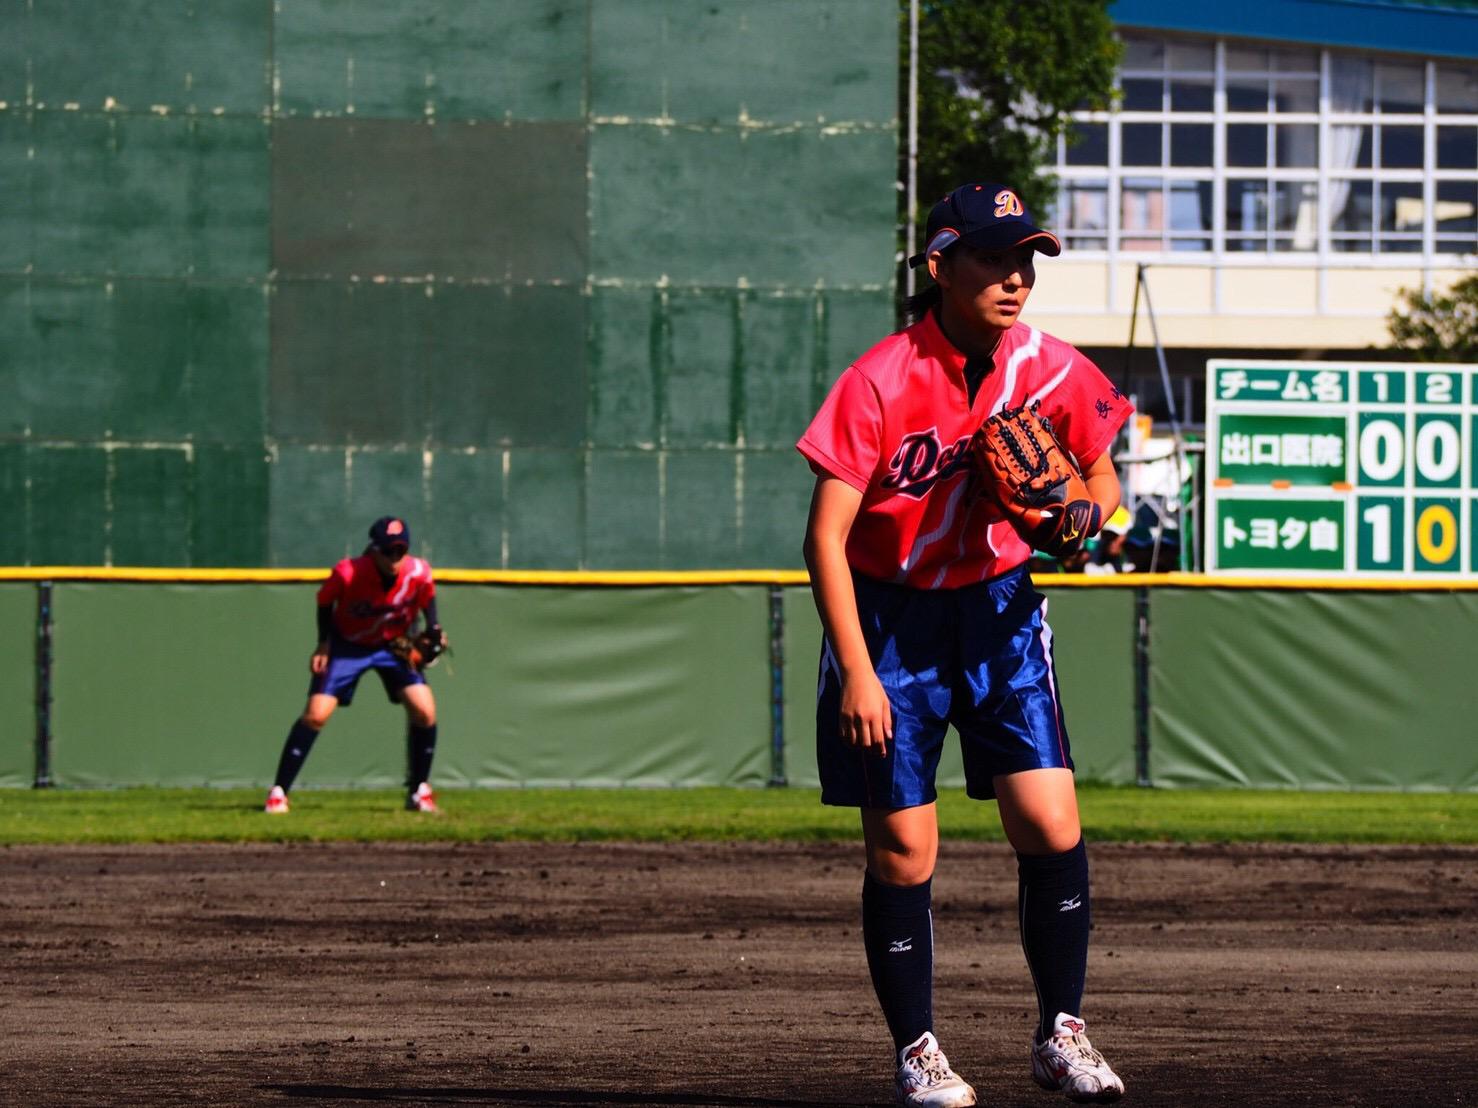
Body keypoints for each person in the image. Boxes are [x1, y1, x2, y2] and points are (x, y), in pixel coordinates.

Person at [797, 182, 1131, 1106]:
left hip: (999, 613)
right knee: (905, 852)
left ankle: (1061, 1032)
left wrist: (1079, 519)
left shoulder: (1054, 369)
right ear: (941, 265)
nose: (1016, 277)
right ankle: (918, 1050)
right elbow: (825, 538)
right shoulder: (879, 379)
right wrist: (857, 671)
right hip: (890, 623)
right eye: (993, 258)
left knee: (1052, 823)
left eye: (1026, 259)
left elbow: (1101, 479)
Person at [265, 516, 448, 815]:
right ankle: (278, 793)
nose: (394, 557)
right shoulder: (348, 572)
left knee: (425, 710)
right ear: (374, 549)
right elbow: (325, 602)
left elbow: (428, 597)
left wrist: (434, 628)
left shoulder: (418, 572)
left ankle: (419, 792)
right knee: (316, 714)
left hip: (393, 645)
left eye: (400, 550)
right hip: (348, 646)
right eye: (388, 550)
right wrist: (323, 643)